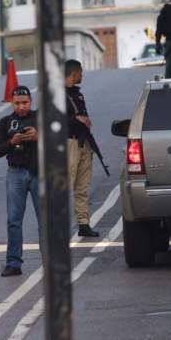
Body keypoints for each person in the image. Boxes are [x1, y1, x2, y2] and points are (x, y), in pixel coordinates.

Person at [0, 86, 39, 277]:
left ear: (31, 102)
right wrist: (12, 141)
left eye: (25, 102)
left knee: (45, 221)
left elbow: (58, 140)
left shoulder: (40, 119)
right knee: (14, 220)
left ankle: (50, 261)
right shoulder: (5, 122)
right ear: (12, 103)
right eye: (17, 103)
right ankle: (13, 263)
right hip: (15, 173)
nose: (21, 107)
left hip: (39, 173)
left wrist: (38, 136)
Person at [65, 60, 100, 238]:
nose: (82, 75)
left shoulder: (77, 94)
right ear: (73, 73)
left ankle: (83, 224)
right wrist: (76, 120)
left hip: (83, 142)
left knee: (82, 186)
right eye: (80, 72)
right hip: (68, 143)